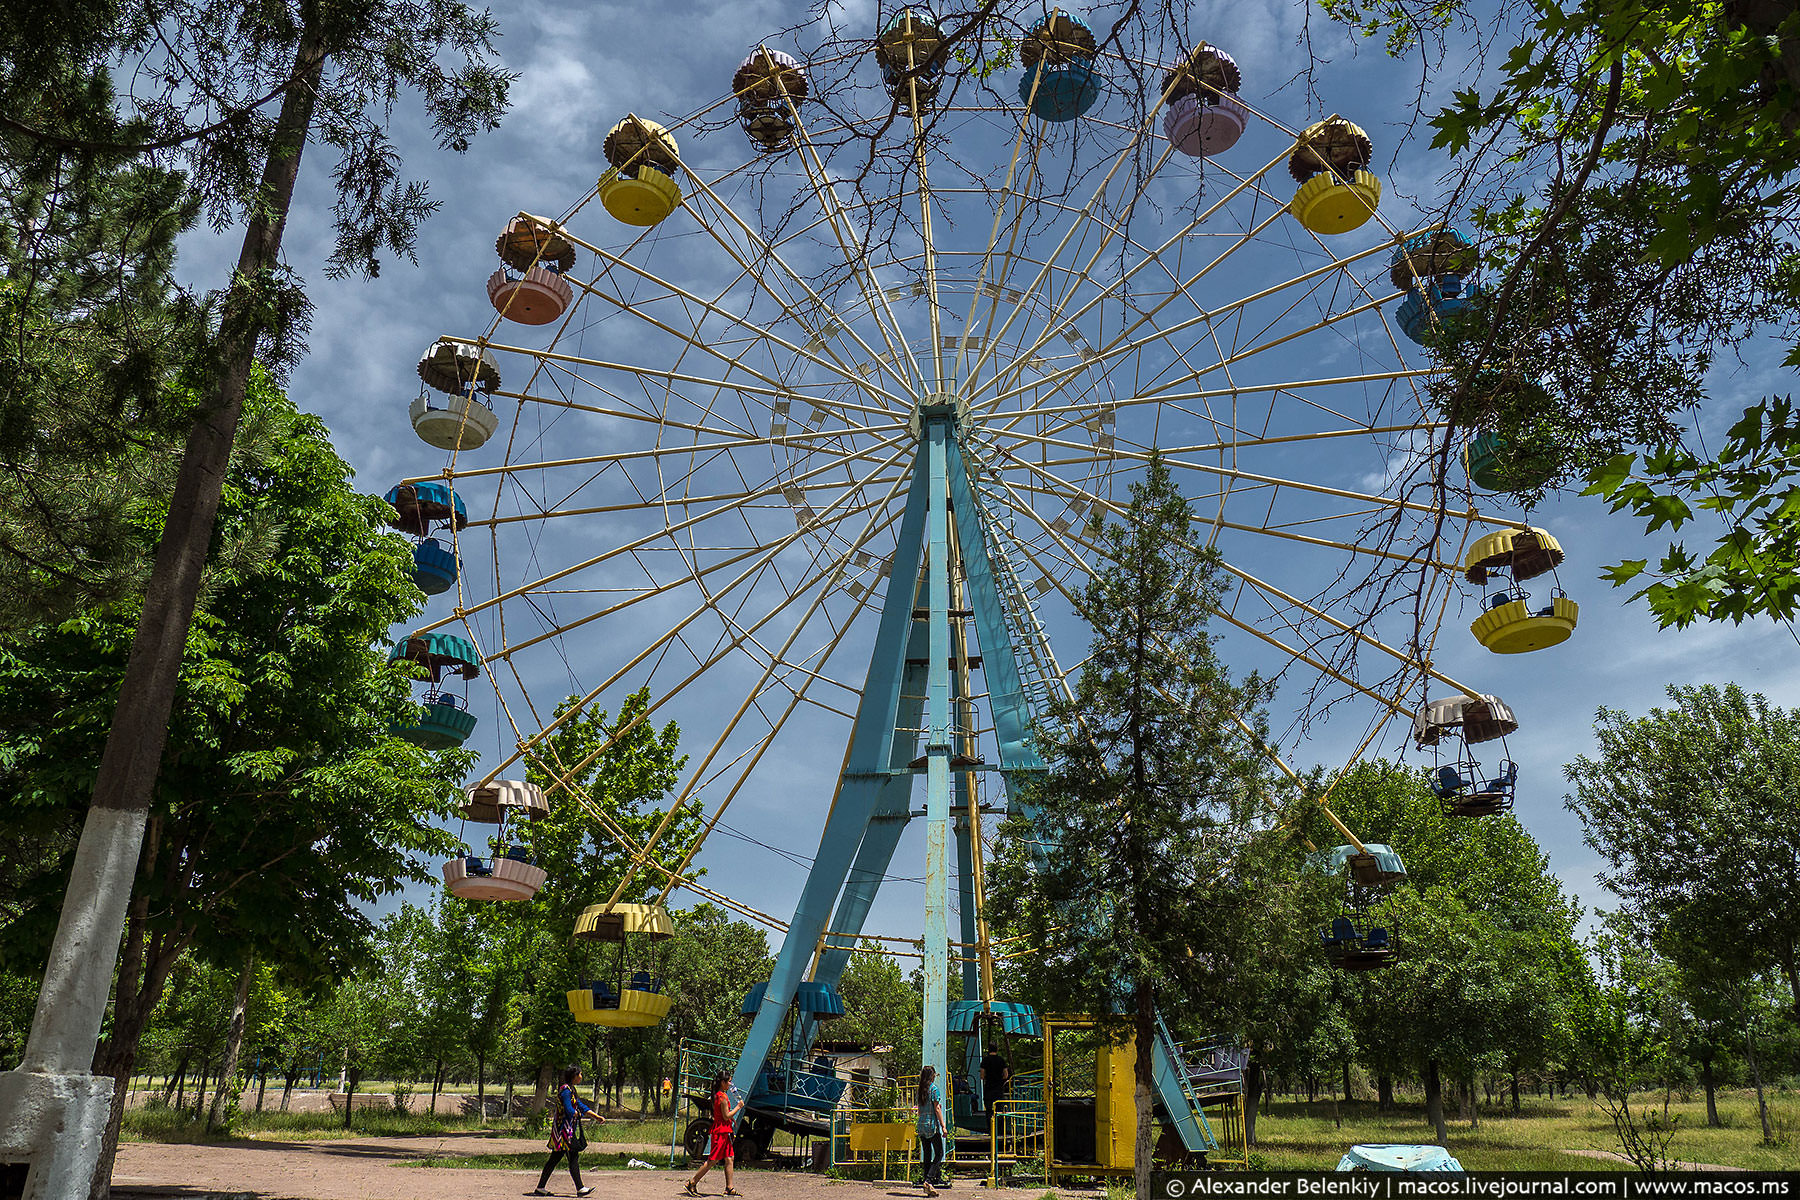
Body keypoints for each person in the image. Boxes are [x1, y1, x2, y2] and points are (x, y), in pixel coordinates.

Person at [533, 1066, 603, 1196]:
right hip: (564, 1132)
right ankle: (580, 1188)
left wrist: (595, 1116)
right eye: (580, 1074)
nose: (581, 1076)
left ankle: (540, 1187)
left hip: (565, 1131)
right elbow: (569, 1109)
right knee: (573, 1158)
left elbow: (580, 1106)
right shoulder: (566, 1091)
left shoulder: (571, 1090)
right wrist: (578, 1115)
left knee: (555, 1159)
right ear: (575, 1076)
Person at [685, 1070, 744, 1197]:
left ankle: (729, 1187)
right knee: (713, 1160)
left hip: (723, 1130)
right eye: (728, 1081)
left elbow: (722, 1115)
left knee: (729, 1158)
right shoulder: (722, 1097)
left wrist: (729, 1118)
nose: (730, 1084)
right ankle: (692, 1182)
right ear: (723, 1082)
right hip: (721, 1132)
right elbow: (726, 1115)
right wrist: (738, 1107)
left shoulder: (718, 1095)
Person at [915, 1064, 946, 1195]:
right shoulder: (934, 1089)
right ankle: (929, 1180)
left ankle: (926, 1183)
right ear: (932, 1076)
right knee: (939, 1154)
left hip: (921, 1125)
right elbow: (937, 1108)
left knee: (927, 1154)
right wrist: (943, 1126)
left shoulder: (921, 1089)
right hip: (931, 1126)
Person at [978, 1047, 1010, 1112]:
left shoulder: (985, 1060)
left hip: (989, 1087)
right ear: (997, 1050)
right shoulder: (1001, 1060)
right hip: (999, 1087)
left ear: (988, 1050)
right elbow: (1006, 1075)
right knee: (999, 1108)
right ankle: (999, 1121)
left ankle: (989, 1121)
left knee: (988, 1108)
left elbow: (982, 1076)